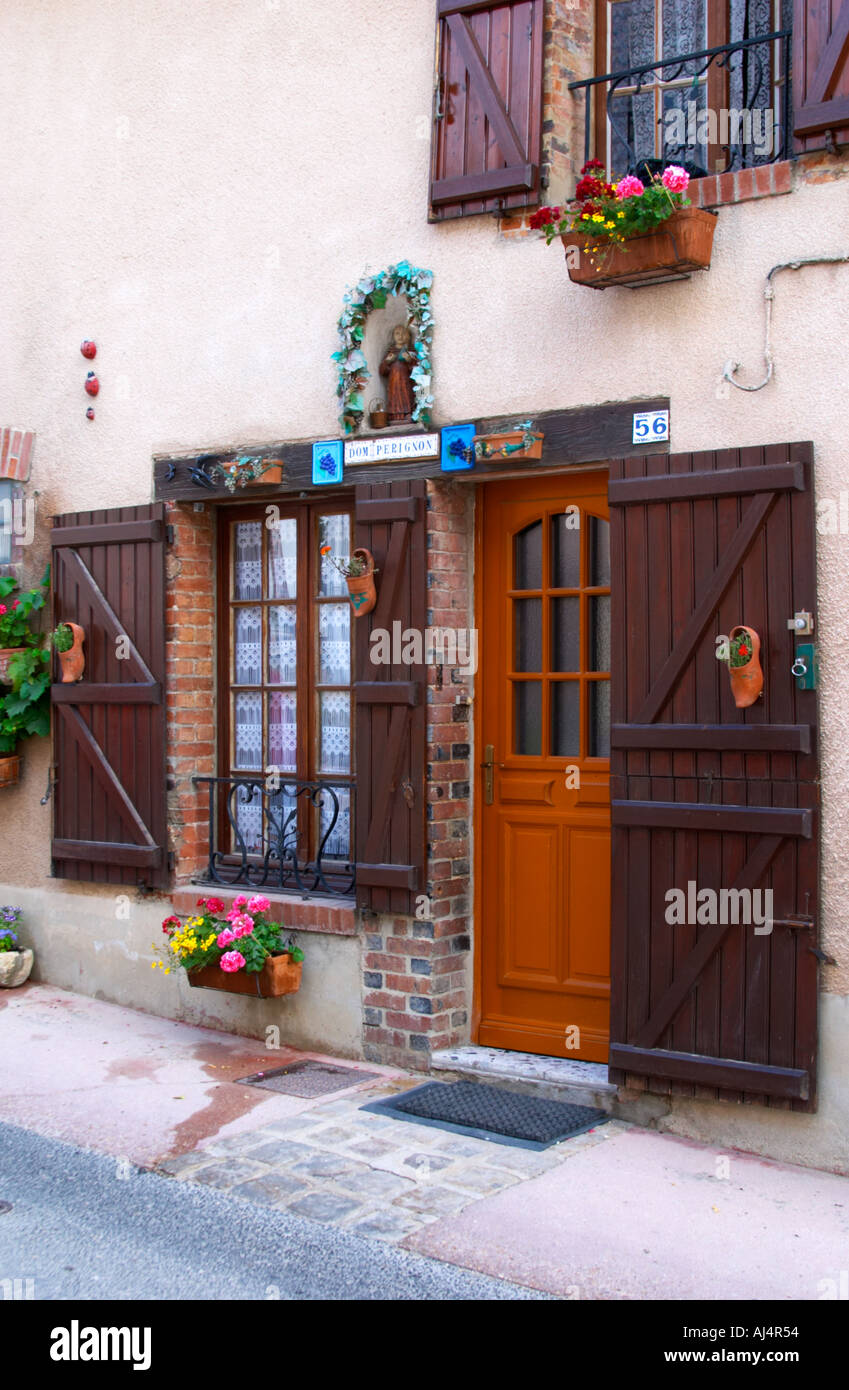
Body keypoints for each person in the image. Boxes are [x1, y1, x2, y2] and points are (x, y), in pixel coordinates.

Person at [379, 324, 416, 424]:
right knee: (394, 397)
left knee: (407, 396)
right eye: (397, 333)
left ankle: (408, 413)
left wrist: (410, 361)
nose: (400, 336)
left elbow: (418, 371)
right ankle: (394, 415)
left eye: (403, 333)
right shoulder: (390, 352)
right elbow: (382, 371)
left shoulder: (411, 351)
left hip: (406, 381)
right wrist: (387, 361)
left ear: (408, 336)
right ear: (393, 336)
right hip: (393, 383)